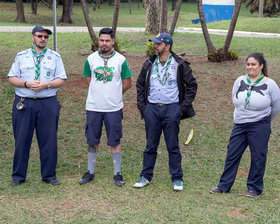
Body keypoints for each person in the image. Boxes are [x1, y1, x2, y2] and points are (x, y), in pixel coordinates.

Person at [133, 33, 197, 191]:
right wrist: (144, 108)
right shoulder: (149, 64)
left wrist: (180, 109)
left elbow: (192, 86)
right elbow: (140, 86)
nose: (155, 46)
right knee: (150, 145)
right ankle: (145, 176)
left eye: (158, 44)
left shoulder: (179, 64)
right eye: (154, 43)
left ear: (167, 46)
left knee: (173, 146)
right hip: (152, 109)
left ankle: (177, 178)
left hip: (171, 109)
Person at [210, 53, 280, 197]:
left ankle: (254, 188)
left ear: (261, 66)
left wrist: (264, 121)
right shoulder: (240, 80)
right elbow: (234, 99)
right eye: (248, 64)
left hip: (259, 125)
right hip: (240, 125)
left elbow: (276, 107)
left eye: (253, 64)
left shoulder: (270, 84)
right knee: (232, 155)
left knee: (258, 157)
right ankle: (224, 185)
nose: (250, 67)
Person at [8, 25, 67, 186]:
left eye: (46, 37)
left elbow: (62, 79)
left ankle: (49, 176)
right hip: (24, 103)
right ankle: (18, 176)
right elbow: (12, 78)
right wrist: (26, 84)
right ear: (32, 37)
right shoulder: (22, 56)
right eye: (40, 36)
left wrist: (46, 85)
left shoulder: (54, 57)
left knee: (48, 140)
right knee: (21, 140)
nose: (43, 39)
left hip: (47, 103)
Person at [79, 27, 132, 187]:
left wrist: (113, 93)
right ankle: (90, 172)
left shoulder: (121, 60)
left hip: (113, 108)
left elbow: (127, 83)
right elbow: (88, 79)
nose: (104, 43)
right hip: (94, 107)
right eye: (101, 40)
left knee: (114, 140)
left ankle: (117, 173)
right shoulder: (91, 59)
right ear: (98, 41)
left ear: (113, 42)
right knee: (92, 140)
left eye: (107, 40)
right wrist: (99, 92)